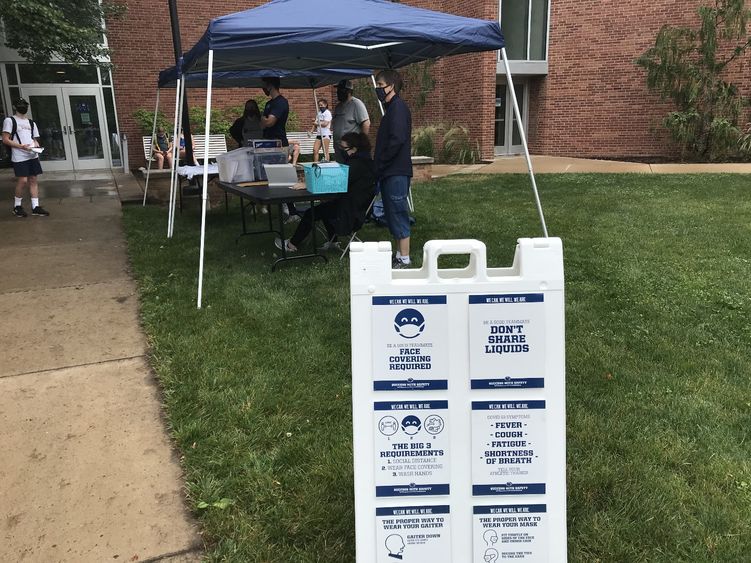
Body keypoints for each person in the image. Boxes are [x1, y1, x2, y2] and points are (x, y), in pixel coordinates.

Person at [275, 132, 376, 253]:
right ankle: (333, 242)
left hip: (349, 211)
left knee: (311, 213)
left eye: (344, 148)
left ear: (354, 149)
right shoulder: (366, 162)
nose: (341, 151)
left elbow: (337, 182)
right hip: (357, 207)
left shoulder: (356, 165)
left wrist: (308, 184)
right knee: (325, 209)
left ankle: (291, 244)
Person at [374, 70, 412, 268]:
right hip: (389, 171)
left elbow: (397, 140)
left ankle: (404, 258)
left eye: (380, 86)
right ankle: (399, 255)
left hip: (396, 171)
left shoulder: (398, 108)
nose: (378, 90)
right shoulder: (391, 109)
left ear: (392, 86)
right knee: (392, 214)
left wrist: (381, 162)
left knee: (398, 213)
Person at [2, 98, 49, 217]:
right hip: (19, 155)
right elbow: (5, 139)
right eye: (20, 105)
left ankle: (35, 206)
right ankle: (17, 206)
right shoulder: (10, 120)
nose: (23, 107)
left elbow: (35, 138)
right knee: (22, 180)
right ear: (15, 107)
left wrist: (36, 144)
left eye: (25, 105)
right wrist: (20, 146)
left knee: (33, 179)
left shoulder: (31, 122)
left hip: (32, 154)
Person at [332, 80, 370, 162]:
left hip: (350, 150)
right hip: (339, 148)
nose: (338, 92)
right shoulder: (338, 106)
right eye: (337, 90)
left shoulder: (356, 104)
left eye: (340, 90)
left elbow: (366, 123)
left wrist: (361, 143)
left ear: (348, 91)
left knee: (351, 171)